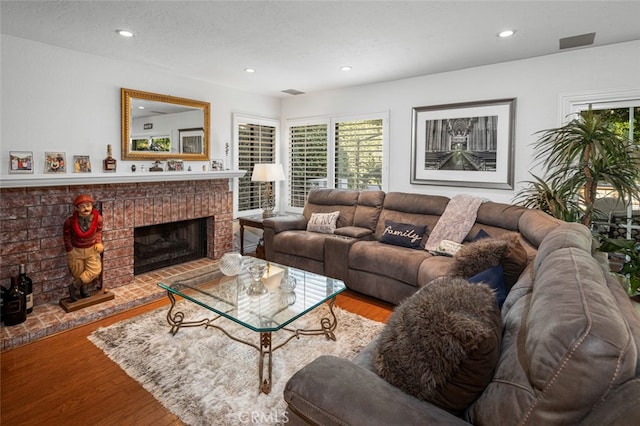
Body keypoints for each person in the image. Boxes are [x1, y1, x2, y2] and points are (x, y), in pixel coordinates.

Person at [63, 194, 103, 301]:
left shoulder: (98, 219)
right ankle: (83, 290)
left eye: (89, 205)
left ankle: (74, 286)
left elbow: (98, 231)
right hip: (76, 250)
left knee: (95, 269)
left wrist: (98, 242)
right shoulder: (70, 222)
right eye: (83, 206)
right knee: (78, 271)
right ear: (77, 208)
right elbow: (66, 236)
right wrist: (69, 249)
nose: (86, 208)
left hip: (91, 249)